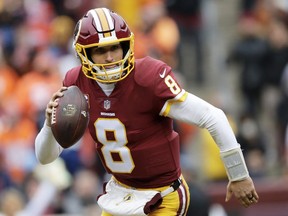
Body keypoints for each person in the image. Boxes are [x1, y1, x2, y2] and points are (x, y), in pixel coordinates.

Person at [35, 7, 259, 216]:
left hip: (162, 196)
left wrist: (238, 174)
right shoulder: (76, 83)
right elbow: (45, 157)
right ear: (84, 54)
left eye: (115, 47)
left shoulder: (148, 78)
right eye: (100, 50)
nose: (111, 57)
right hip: (119, 193)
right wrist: (49, 124)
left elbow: (213, 116)